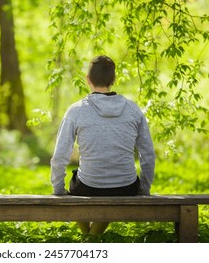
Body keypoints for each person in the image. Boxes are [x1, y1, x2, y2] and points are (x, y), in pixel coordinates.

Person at [50, 55, 155, 236]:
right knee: (111, 191)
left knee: (75, 184)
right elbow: (148, 154)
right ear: (113, 80)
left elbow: (61, 155)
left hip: (88, 185)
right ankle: (91, 239)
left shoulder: (76, 110)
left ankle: (88, 238)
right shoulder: (133, 109)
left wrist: (58, 189)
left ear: (88, 80)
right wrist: (144, 188)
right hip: (126, 187)